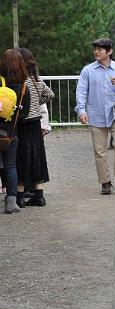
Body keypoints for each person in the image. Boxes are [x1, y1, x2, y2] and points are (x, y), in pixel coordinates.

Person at [75, 38, 115, 195]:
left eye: (100, 49)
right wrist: (81, 110)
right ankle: (105, 182)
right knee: (99, 151)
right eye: (95, 49)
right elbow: (81, 91)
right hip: (95, 114)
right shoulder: (88, 70)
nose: (96, 52)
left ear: (109, 51)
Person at [15, 48, 54, 207]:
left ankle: (19, 195)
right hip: (36, 123)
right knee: (37, 156)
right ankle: (39, 195)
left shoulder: (20, 81)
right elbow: (50, 94)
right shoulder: (36, 80)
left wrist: (27, 106)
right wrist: (37, 104)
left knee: (21, 157)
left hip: (22, 124)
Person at [0, 49, 30, 213]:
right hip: (10, 134)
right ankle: (11, 202)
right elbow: (25, 113)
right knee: (11, 166)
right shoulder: (24, 87)